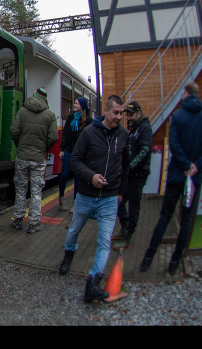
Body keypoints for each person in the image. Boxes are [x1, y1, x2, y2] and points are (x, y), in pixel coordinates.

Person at [57, 94, 129, 304]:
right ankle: (68, 255)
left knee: (104, 241)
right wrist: (91, 176)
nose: (119, 117)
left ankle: (93, 283)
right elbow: (76, 161)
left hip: (109, 198)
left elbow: (126, 166)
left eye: (121, 114)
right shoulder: (89, 133)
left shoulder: (123, 134)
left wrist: (121, 192)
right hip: (86, 196)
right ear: (105, 111)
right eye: (115, 113)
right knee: (74, 231)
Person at [140, 82, 202, 275]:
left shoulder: (178, 116)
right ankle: (174, 262)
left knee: (165, 217)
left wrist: (184, 165)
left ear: (186, 93)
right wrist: (195, 166)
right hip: (194, 178)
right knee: (187, 220)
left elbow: (174, 143)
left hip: (176, 175)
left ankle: (148, 258)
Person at [10, 87, 58, 234]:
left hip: (22, 157)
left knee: (20, 189)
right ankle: (34, 224)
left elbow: (14, 130)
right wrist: (43, 148)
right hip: (38, 159)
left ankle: (18, 220)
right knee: (36, 191)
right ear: (45, 99)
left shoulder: (22, 111)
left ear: (33, 96)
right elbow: (54, 137)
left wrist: (20, 145)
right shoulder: (50, 115)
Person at [112, 101, 152, 249]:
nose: (128, 117)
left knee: (134, 207)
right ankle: (125, 225)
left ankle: (129, 236)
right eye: (127, 115)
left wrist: (129, 167)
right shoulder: (131, 127)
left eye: (131, 115)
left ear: (139, 114)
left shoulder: (145, 128)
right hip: (128, 175)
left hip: (138, 176)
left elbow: (144, 151)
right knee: (118, 202)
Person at [58, 97, 93, 211]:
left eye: (77, 104)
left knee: (78, 178)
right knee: (64, 175)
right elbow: (65, 134)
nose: (74, 105)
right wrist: (62, 149)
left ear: (82, 106)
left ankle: (75, 203)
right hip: (69, 150)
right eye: (75, 103)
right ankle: (61, 198)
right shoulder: (70, 118)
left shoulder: (88, 121)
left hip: (80, 153)